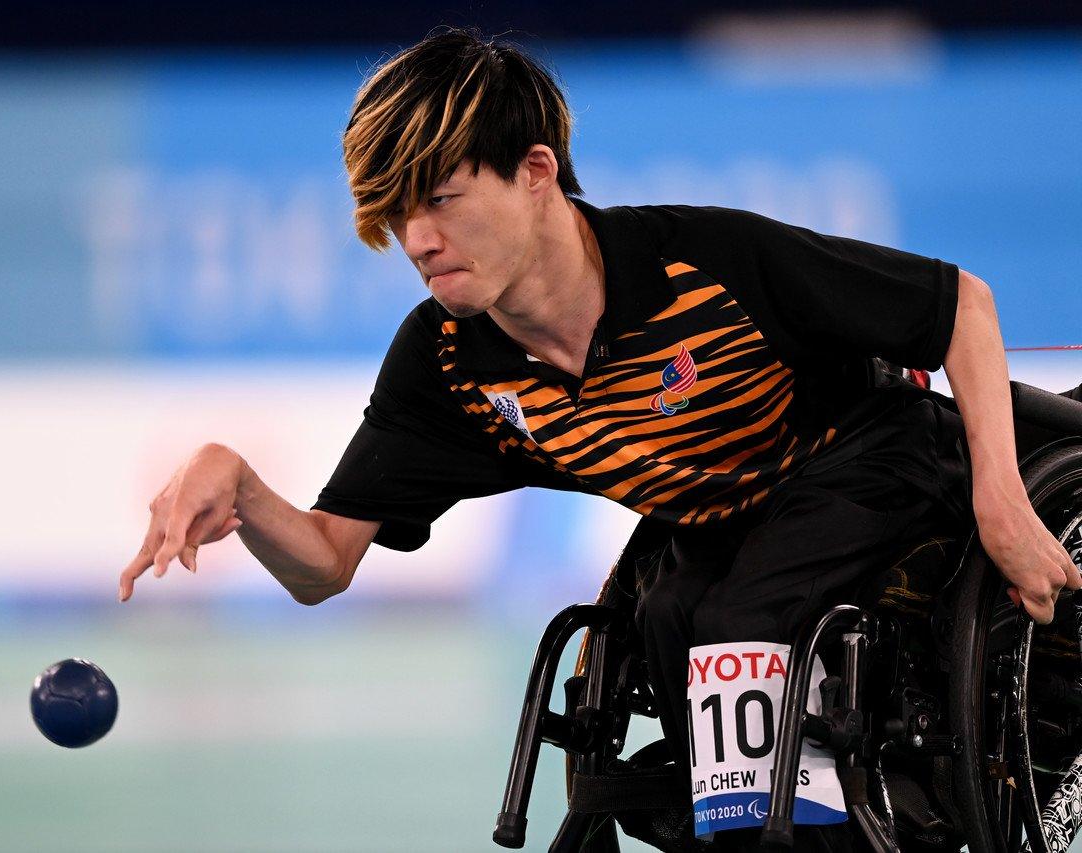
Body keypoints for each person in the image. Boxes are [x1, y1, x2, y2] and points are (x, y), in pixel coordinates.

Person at [117, 28, 1080, 849]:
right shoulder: (452, 365)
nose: (416, 238)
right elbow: (325, 563)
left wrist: (1000, 498)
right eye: (396, 213)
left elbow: (961, 306)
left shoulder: (706, 261)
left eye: (441, 198)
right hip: (717, 521)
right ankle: (785, 816)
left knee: (738, 627)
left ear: (536, 173)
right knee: (662, 628)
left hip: (870, 457)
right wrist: (241, 487)